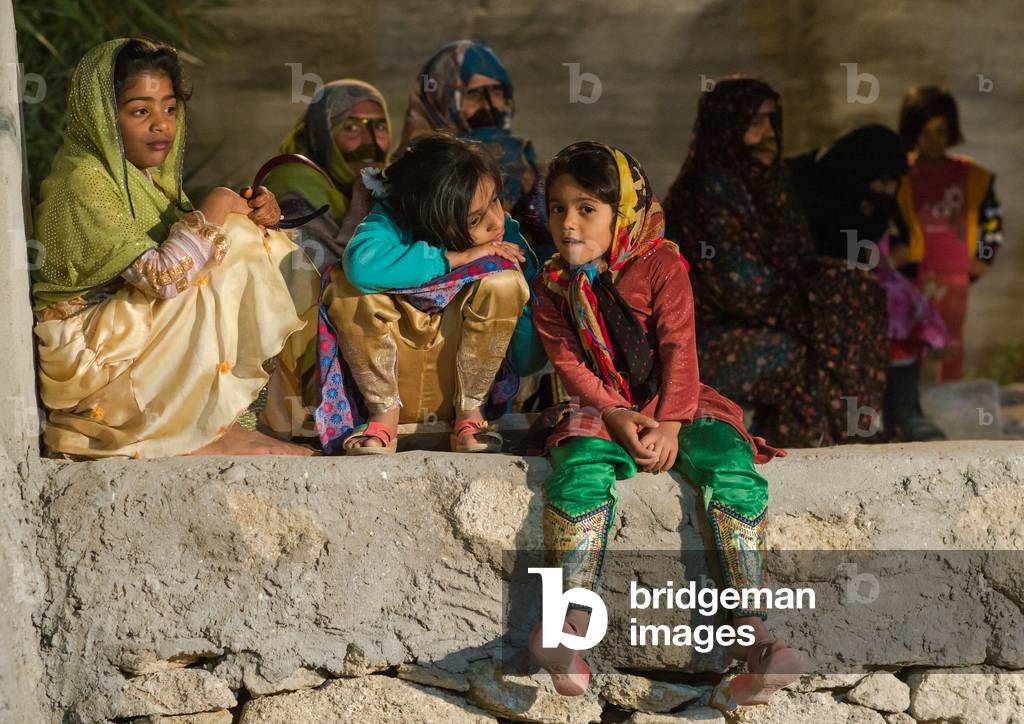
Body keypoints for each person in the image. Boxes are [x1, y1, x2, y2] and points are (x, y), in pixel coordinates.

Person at [528, 141, 802, 704]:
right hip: (603, 408)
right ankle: (569, 627)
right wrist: (615, 413)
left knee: (732, 467)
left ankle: (751, 637)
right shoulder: (552, 283)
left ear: (622, 211)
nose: (567, 224)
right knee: (579, 467)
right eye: (557, 209)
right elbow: (568, 362)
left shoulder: (661, 264)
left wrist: (672, 426)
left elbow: (681, 348)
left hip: (680, 403)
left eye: (586, 209)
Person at [30, 38, 319, 459]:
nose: (161, 124)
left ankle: (214, 422)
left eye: (169, 107)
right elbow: (163, 278)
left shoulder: (141, 178)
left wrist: (261, 213)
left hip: (121, 333)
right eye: (140, 111)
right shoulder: (84, 181)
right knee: (228, 238)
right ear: (103, 116)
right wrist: (221, 204)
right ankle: (189, 431)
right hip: (90, 363)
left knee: (239, 233)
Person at [663, 76, 887, 447]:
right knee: (814, 338)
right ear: (726, 127)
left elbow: (799, 261)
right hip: (705, 341)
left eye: (772, 120)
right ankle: (827, 450)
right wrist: (817, 303)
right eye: (755, 122)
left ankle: (847, 441)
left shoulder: (772, 183)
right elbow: (742, 288)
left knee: (857, 296)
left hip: (770, 320)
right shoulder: (702, 191)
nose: (769, 132)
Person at [322, 134, 545, 453]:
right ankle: (383, 416)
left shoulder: (505, 238)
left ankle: (470, 417)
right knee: (348, 289)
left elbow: (527, 361)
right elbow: (360, 265)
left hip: (462, 390)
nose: (496, 222)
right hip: (394, 385)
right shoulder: (395, 220)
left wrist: (521, 298)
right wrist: (457, 258)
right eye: (474, 220)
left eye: (495, 200)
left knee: (505, 279)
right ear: (431, 220)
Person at [788, 124, 948, 441]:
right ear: (861, 170)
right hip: (809, 288)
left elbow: (874, 252)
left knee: (898, 305)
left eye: (893, 183)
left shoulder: (875, 200)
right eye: (883, 181)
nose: (889, 190)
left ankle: (903, 412)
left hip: (860, 283)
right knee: (878, 306)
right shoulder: (805, 186)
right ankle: (858, 422)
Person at [401, 39, 552, 259]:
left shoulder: (524, 157)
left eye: (496, 92)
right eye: (473, 94)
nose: (489, 105)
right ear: (441, 97)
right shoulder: (413, 169)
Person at [895, 86, 1005, 382]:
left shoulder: (971, 176)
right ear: (911, 131)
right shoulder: (899, 174)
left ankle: (950, 397)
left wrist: (982, 260)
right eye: (925, 132)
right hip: (911, 274)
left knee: (951, 341)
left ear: (952, 131)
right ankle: (908, 400)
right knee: (909, 337)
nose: (933, 141)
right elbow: (884, 221)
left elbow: (993, 222)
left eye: (941, 132)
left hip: (954, 275)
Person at [263, 79, 393, 272]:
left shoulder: (391, 187)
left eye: (380, 127)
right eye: (352, 128)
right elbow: (318, 271)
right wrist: (364, 200)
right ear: (322, 134)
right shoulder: (294, 186)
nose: (371, 142)